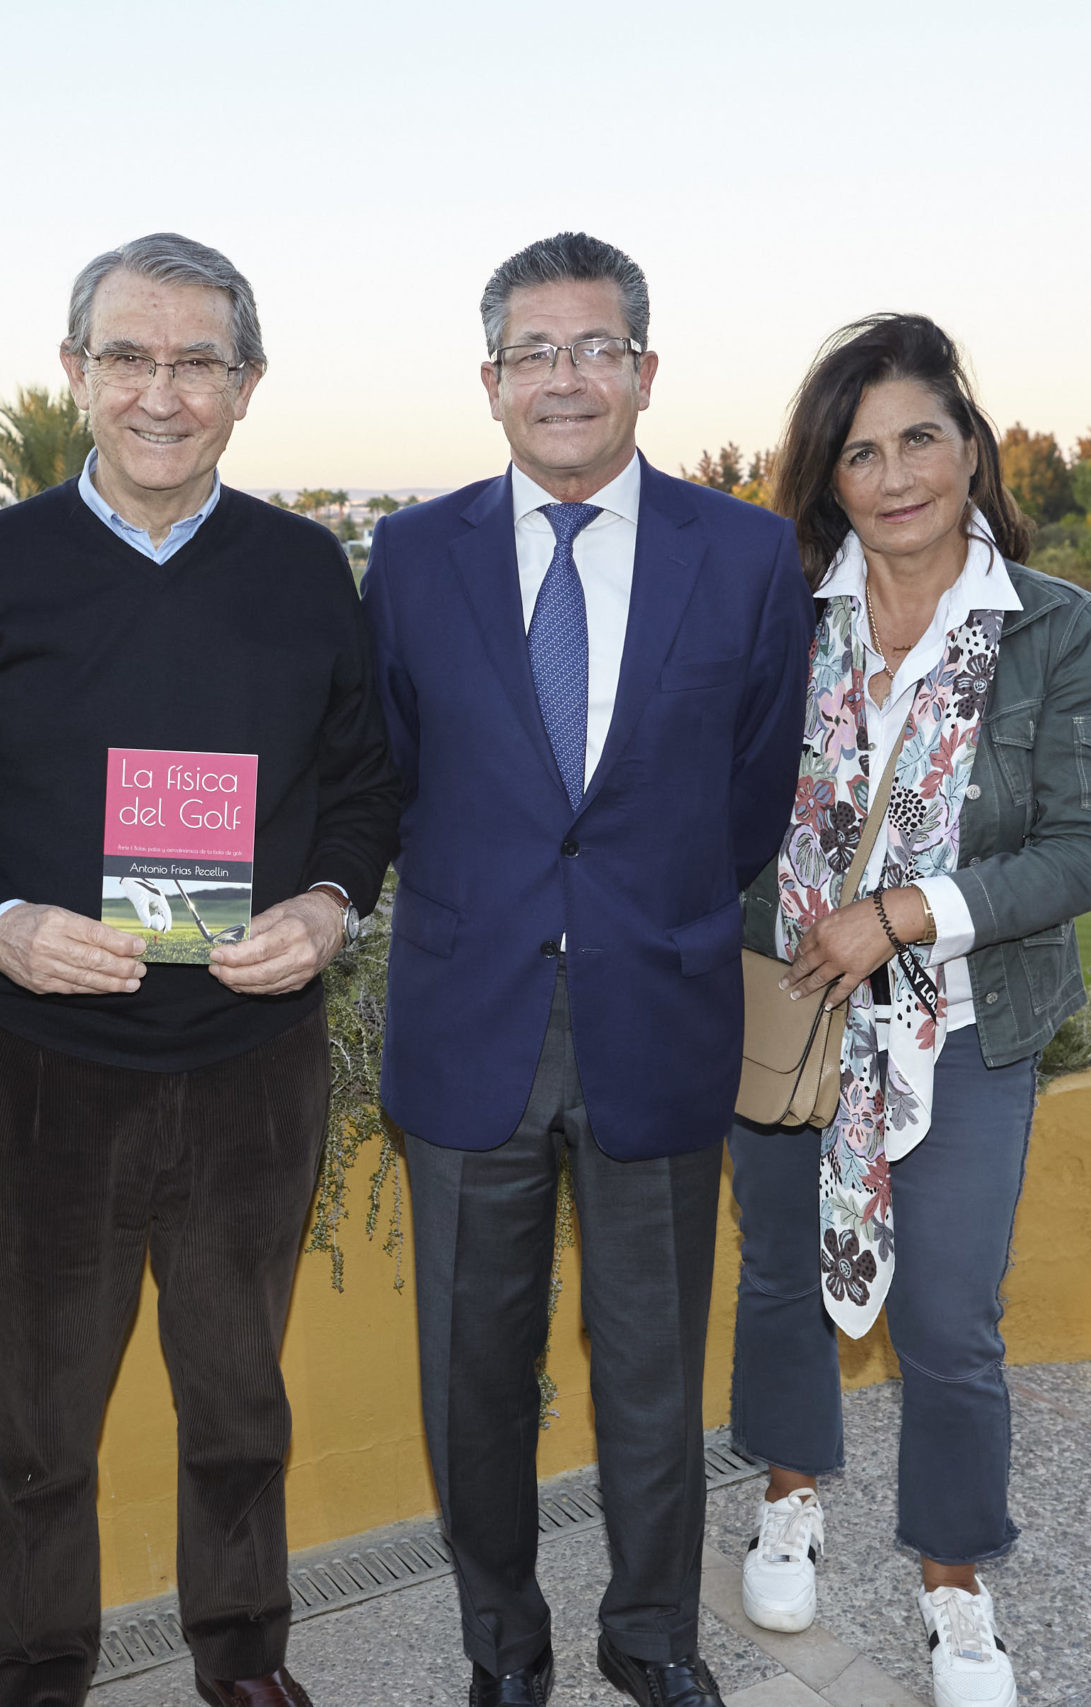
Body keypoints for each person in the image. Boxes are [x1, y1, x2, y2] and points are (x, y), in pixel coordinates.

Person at [0, 232, 402, 1707]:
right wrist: (2, 928)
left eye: (196, 362)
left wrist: (324, 901)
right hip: (52, 1075)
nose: (159, 393)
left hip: (254, 1068)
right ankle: (38, 1680)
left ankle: (244, 1664)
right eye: (127, 357)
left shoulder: (306, 570)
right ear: (73, 375)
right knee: (44, 1427)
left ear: (246, 387)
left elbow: (365, 788)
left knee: (240, 1404)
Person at [362, 232, 813, 1707]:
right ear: (491, 380)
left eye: (595, 347)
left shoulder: (743, 555)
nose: (566, 377)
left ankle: (652, 1641)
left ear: (646, 370)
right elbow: (398, 773)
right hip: (468, 1024)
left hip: (657, 1020)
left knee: (651, 1379)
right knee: (471, 1382)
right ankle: (505, 1648)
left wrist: (649, 913)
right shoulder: (411, 557)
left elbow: (750, 798)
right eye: (534, 353)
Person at [727, 314, 1091, 1707]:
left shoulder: (1053, 626)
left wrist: (901, 915)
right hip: (790, 1015)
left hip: (962, 1022)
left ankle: (956, 1579)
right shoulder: (782, 610)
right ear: (826, 479)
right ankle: (790, 1497)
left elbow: (1084, 848)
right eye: (859, 452)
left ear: (971, 448)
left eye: (920, 439)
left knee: (954, 1321)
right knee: (780, 1277)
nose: (895, 475)